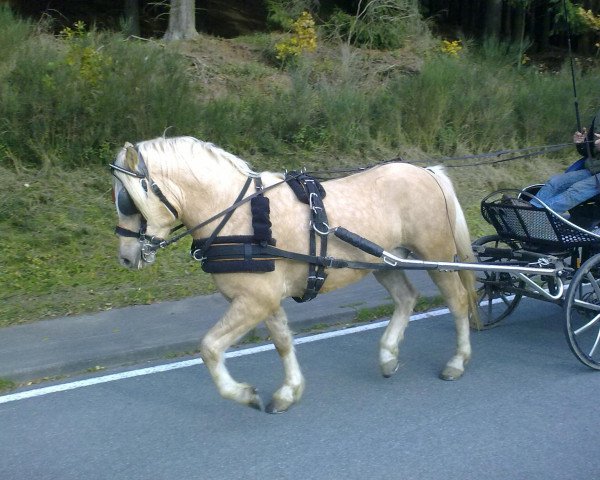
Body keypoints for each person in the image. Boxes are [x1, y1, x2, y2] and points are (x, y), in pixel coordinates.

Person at [530, 125, 600, 213]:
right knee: (555, 182)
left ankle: (541, 215)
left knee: (577, 190)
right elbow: (588, 151)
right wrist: (581, 144)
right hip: (593, 169)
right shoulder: (598, 118)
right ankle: (529, 210)